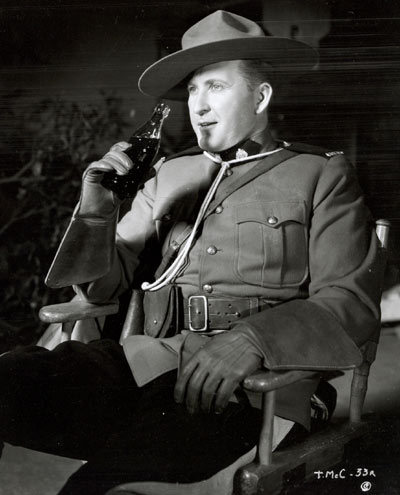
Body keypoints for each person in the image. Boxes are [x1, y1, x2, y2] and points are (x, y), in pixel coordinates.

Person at [0, 10, 381, 495]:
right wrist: (96, 212)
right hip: (147, 362)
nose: (198, 105)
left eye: (216, 87)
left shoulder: (319, 174)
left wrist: (252, 340)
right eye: (193, 90)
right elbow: (104, 285)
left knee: (98, 487)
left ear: (261, 96)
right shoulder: (167, 174)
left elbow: (351, 301)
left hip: (251, 389)